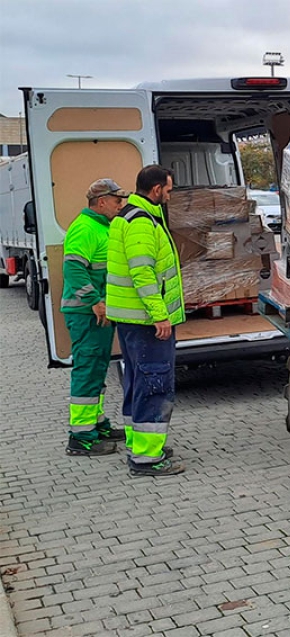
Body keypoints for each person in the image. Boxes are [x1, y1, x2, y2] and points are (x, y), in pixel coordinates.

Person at [106, 165, 185, 476]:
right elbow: (143, 273)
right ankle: (147, 458)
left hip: (131, 319)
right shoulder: (141, 222)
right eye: (168, 189)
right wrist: (160, 315)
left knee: (138, 380)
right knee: (154, 383)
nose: (170, 194)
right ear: (156, 190)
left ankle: (138, 443)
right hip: (145, 321)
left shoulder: (128, 216)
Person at [61, 179, 130, 456]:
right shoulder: (85, 228)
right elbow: (74, 270)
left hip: (95, 313)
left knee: (97, 369)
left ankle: (96, 424)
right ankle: (81, 438)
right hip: (87, 313)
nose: (120, 205)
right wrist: (95, 302)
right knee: (87, 370)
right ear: (101, 202)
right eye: (116, 200)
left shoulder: (101, 226)